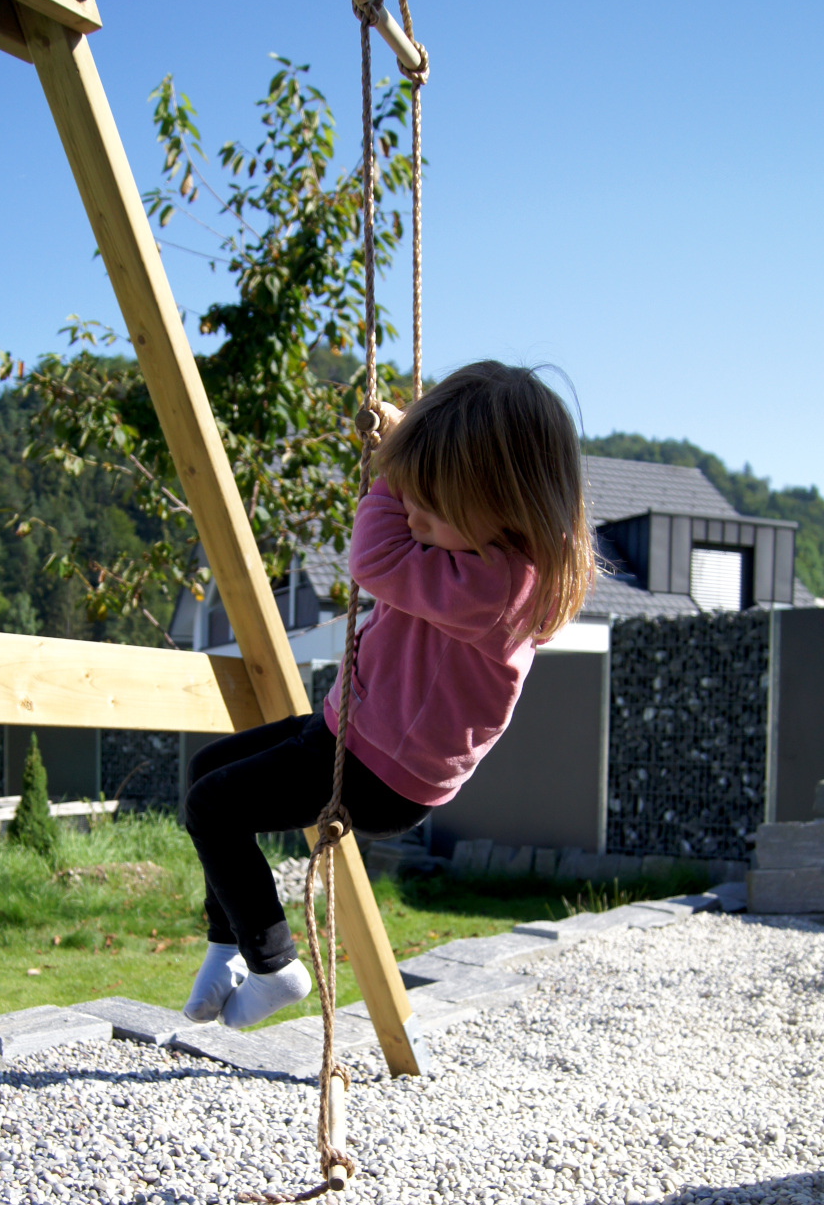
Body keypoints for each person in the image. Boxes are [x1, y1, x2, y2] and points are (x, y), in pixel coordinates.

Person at [181, 361, 597, 1029]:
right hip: (356, 731)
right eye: (413, 493)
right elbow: (414, 533)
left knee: (213, 806)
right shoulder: (489, 555)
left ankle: (273, 963)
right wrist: (407, 453)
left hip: (381, 770)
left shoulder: (502, 588)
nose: (413, 511)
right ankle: (228, 941)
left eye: (432, 502)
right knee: (209, 772)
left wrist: (388, 470)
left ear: (511, 502)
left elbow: (372, 559)